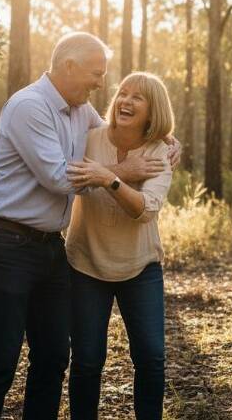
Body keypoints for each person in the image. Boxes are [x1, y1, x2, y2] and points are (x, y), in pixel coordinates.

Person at [0, 33, 171, 420]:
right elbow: (59, 178)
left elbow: (116, 130)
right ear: (70, 67)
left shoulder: (80, 109)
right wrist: (122, 172)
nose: (101, 83)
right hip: (6, 242)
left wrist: (164, 138)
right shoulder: (29, 105)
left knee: (53, 356)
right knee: (0, 357)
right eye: (96, 74)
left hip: (50, 247)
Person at [63, 72, 175, 420]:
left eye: (137, 97)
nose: (125, 101)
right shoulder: (88, 139)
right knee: (86, 359)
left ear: (153, 110)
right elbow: (53, 167)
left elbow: (146, 211)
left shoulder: (159, 152)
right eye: (123, 93)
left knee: (151, 357)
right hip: (85, 264)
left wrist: (109, 178)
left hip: (140, 267)